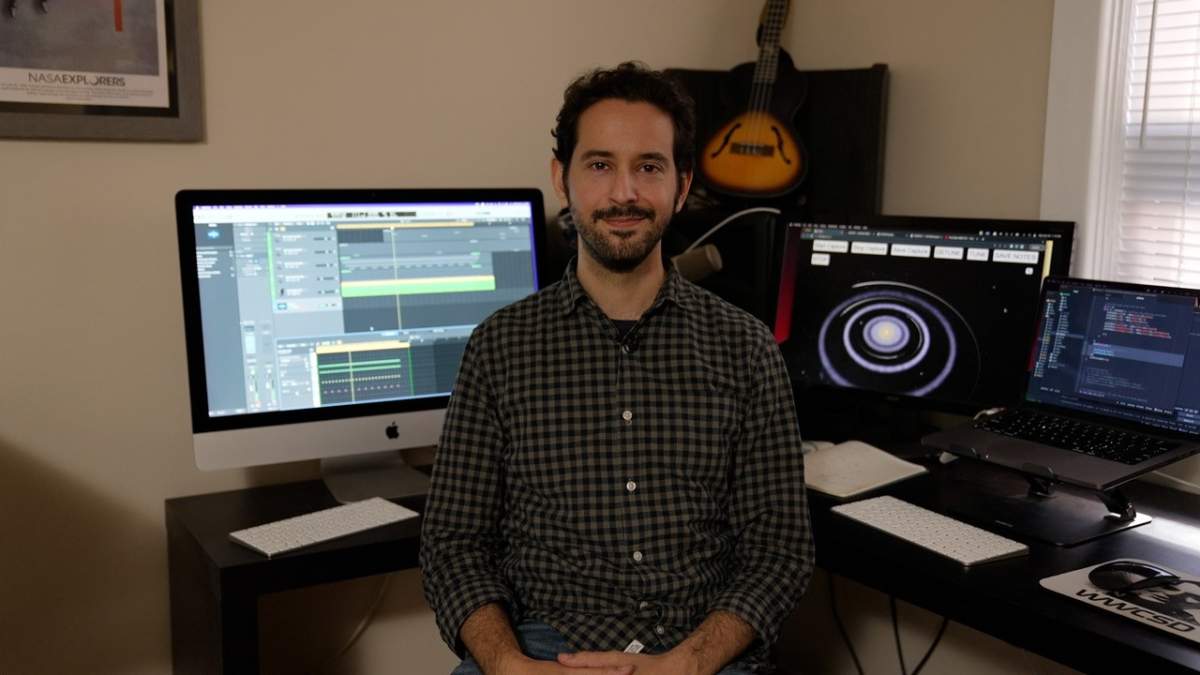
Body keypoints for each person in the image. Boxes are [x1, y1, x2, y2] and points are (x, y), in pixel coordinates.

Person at [420, 61, 813, 675]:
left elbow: (779, 550)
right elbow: (453, 544)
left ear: (681, 187)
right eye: (600, 165)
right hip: (538, 648)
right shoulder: (499, 347)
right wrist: (506, 665)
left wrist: (687, 663)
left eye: (649, 167)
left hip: (698, 652)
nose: (624, 192)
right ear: (563, 178)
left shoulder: (746, 349)